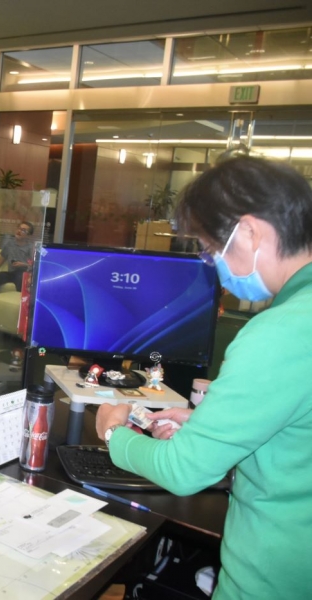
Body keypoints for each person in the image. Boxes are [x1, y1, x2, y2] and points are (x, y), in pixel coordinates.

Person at [95, 155, 312, 599]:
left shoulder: (280, 331)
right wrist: (213, 424)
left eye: (212, 248)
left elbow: (183, 471)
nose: (213, 263)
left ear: (249, 232)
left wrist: (115, 434)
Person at [0, 220, 35, 303]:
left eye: (23, 230)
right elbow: (0, 260)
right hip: (11, 273)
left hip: (24, 274)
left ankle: (21, 305)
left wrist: (23, 264)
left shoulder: (31, 247)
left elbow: (35, 264)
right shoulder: (10, 243)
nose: (19, 231)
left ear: (28, 235)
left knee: (20, 277)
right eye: (19, 228)